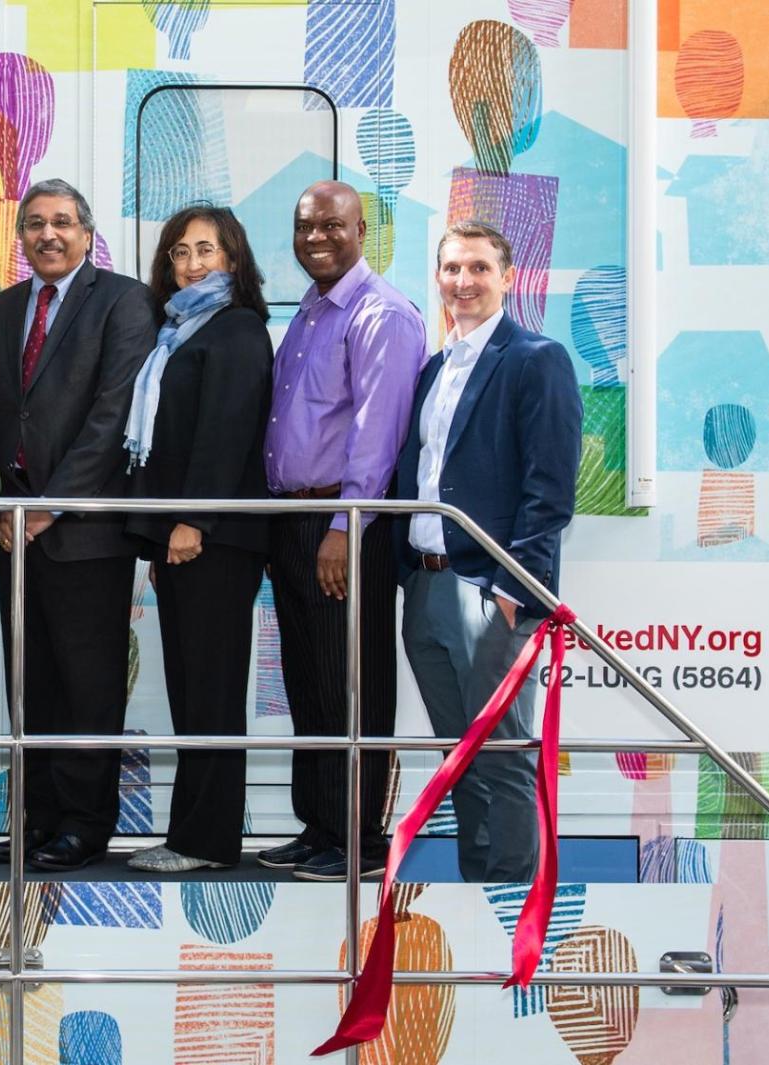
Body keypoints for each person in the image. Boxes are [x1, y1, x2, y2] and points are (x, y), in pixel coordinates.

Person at [0, 179, 156, 872]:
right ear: (20, 235)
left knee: (88, 684)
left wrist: (50, 504)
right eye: (35, 223)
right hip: (13, 532)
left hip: (85, 531)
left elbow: (114, 414)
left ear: (87, 233)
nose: (48, 234)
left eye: (63, 222)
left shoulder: (125, 301)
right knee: (30, 682)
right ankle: (38, 818)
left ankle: (84, 824)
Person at [396, 221, 582, 883]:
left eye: (478, 267)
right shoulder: (433, 369)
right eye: (452, 268)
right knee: (458, 759)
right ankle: (476, 898)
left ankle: (507, 911)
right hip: (425, 587)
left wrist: (512, 592)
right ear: (438, 278)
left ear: (508, 277)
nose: (464, 281)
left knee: (500, 760)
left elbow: (550, 490)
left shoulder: (536, 359)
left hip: (489, 591)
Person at [257, 180, 426, 883]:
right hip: (293, 522)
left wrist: (342, 528)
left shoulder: (381, 314)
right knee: (310, 683)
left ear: (361, 231)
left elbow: (376, 438)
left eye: (332, 225)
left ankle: (358, 838)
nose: (316, 238)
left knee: (353, 685)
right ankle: (320, 825)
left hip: (345, 525)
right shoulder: (309, 312)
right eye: (305, 226)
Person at [123, 206, 274, 873]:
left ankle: (206, 842)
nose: (191, 263)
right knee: (190, 689)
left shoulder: (237, 328)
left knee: (210, 691)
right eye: (180, 252)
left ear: (232, 259)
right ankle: (191, 834)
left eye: (206, 250)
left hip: (216, 537)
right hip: (186, 539)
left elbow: (225, 431)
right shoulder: (179, 330)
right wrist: (167, 537)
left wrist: (192, 521)